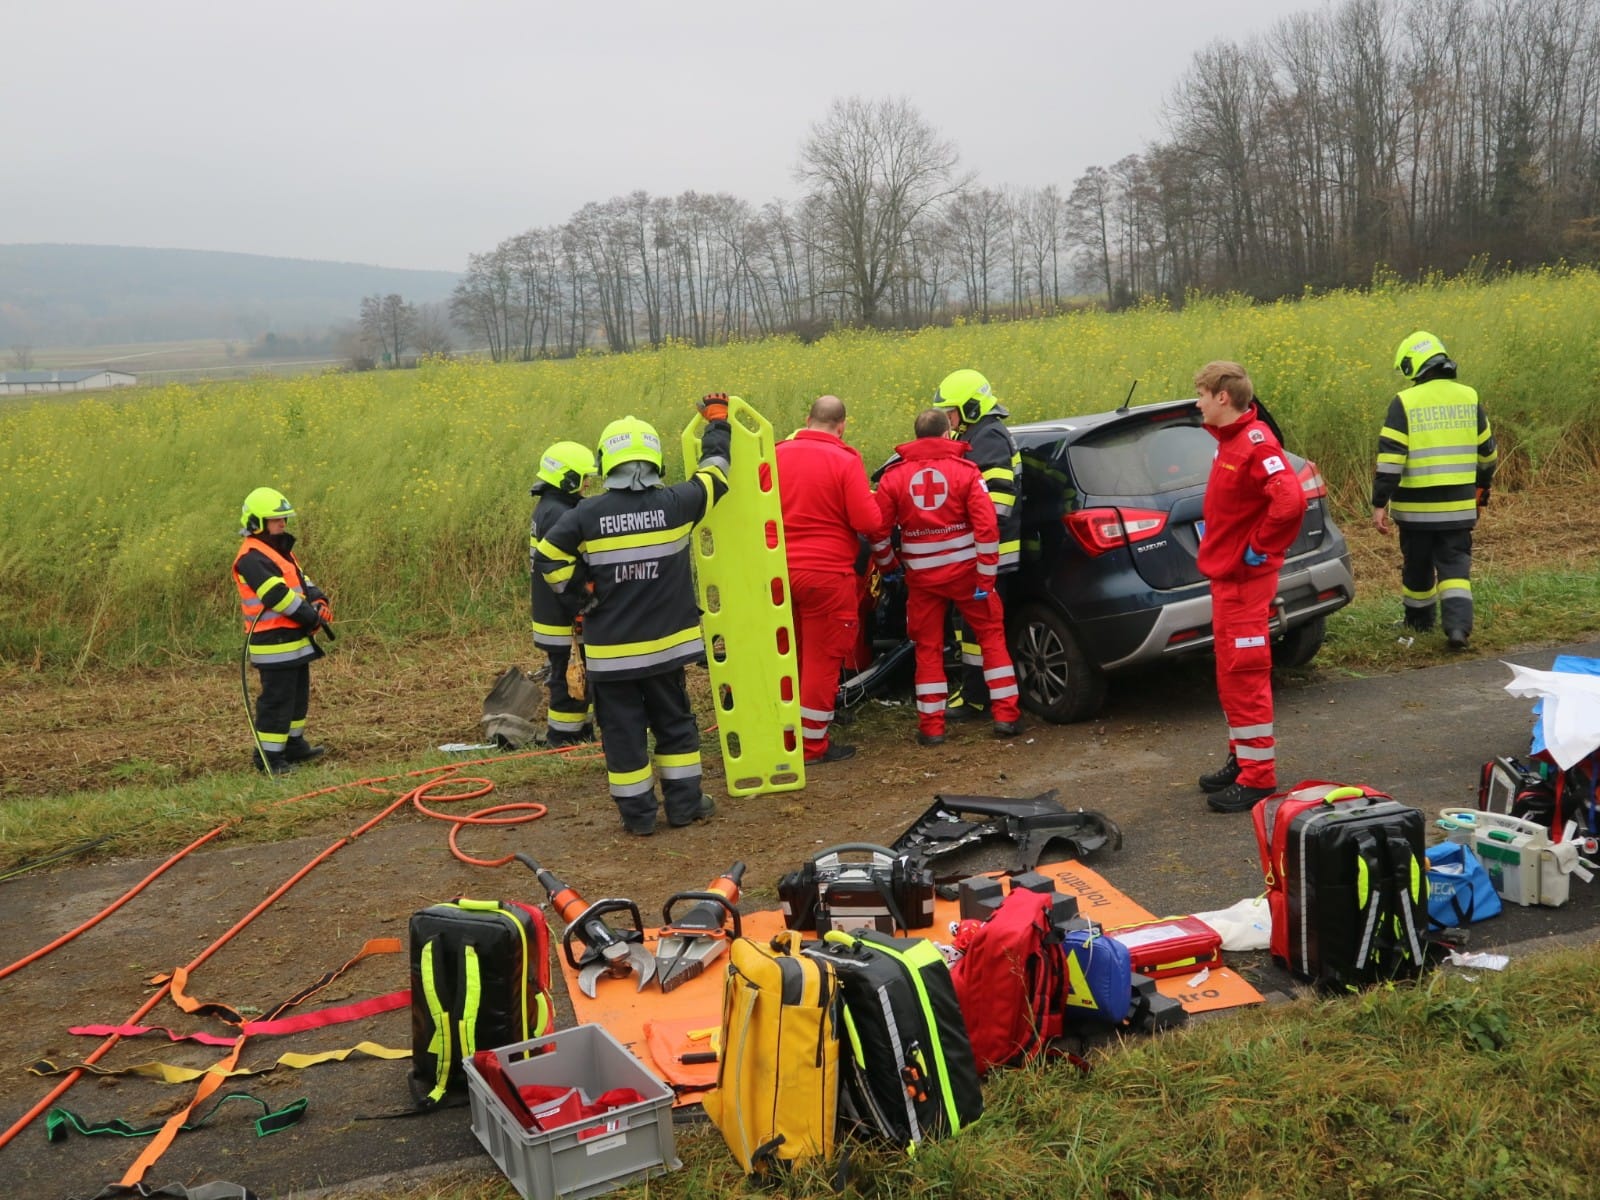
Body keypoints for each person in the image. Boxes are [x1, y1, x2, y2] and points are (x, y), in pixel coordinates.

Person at [534, 401, 731, 836]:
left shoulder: (585, 514)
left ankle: (639, 818)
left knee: (623, 737)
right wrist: (717, 422)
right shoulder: (679, 502)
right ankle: (684, 807)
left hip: (612, 658)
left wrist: (581, 598)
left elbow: (548, 556)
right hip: (667, 652)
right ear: (655, 459)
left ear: (607, 462)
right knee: (675, 727)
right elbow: (715, 473)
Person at [1191, 362, 1305, 813]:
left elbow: (1290, 500)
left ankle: (1259, 777)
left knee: (1244, 675)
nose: (1197, 402)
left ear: (1222, 397)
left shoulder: (1255, 444)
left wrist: (1261, 546)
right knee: (1229, 675)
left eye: (1201, 394)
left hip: (1245, 583)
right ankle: (1242, 759)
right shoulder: (1231, 441)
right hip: (1229, 581)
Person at [874, 408, 1023, 747]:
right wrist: (986, 579)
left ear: (916, 437)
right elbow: (986, 530)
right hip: (967, 575)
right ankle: (1006, 717)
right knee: (991, 639)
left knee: (927, 649)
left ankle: (931, 728)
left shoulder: (894, 477)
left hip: (922, 580)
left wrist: (889, 568)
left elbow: (878, 533)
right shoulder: (967, 472)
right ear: (946, 434)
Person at [775, 395, 893, 765]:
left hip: (776, 574)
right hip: (827, 576)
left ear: (807, 419)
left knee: (787, 657)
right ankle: (812, 747)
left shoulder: (775, 454)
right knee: (822, 661)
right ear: (842, 425)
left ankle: (784, 735)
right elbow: (868, 522)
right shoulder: (845, 459)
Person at [1372, 331, 1498, 649]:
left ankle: (1419, 622)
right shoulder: (1469, 397)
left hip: (1415, 512)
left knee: (1417, 565)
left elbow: (1390, 461)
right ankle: (1457, 629)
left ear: (1413, 365)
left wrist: (1379, 503)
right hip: (1458, 508)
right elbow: (1489, 455)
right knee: (1455, 566)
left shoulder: (1405, 402)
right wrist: (1481, 491)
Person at [931, 368, 1022, 721]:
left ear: (970, 407)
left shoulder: (987, 437)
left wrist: (956, 524)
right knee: (970, 628)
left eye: (951, 412)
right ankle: (977, 695)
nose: (949, 420)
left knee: (975, 630)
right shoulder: (984, 433)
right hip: (986, 552)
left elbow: (997, 504)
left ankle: (976, 698)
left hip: (990, 554)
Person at [232, 487, 334, 775]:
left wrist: (319, 600)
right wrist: (311, 618)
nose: (283, 524)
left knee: (298, 696)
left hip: (294, 640)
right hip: (273, 642)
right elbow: (277, 596)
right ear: (256, 523)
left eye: (284, 519)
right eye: (276, 519)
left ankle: (293, 745)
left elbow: (301, 582)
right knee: (277, 700)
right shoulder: (251, 557)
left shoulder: (278, 550)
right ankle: (269, 758)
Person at [529, 440, 599, 746]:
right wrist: (581, 602)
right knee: (568, 680)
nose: (586, 484)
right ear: (567, 479)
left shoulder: (550, 506)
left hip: (553, 613)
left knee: (576, 674)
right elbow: (566, 570)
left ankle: (580, 734)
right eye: (583, 478)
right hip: (563, 617)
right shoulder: (559, 513)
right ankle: (563, 739)